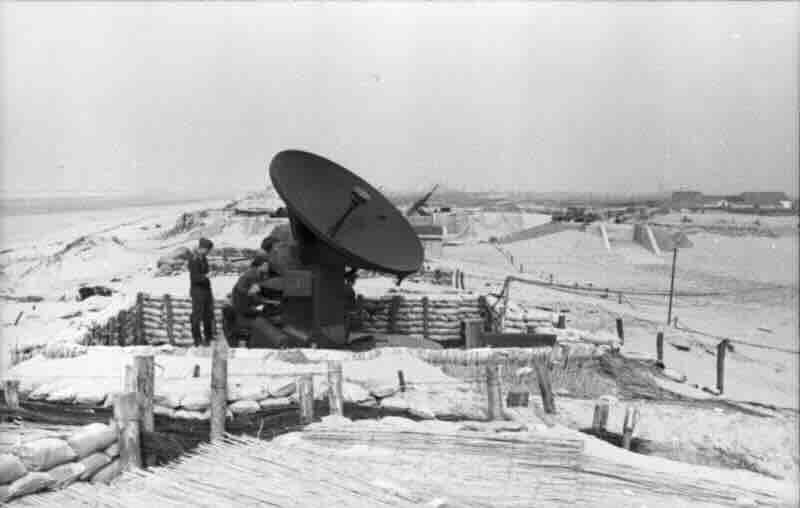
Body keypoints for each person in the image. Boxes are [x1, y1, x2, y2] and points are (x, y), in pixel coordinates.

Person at [232, 252, 294, 348]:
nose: (268, 267)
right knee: (263, 319)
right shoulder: (251, 274)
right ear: (261, 265)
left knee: (266, 317)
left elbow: (255, 295)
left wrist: (269, 301)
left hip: (247, 304)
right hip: (243, 306)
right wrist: (250, 292)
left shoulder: (259, 274)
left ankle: (278, 339)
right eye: (266, 265)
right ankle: (280, 340)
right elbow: (242, 290)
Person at [188, 237, 214, 346]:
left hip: (205, 290)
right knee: (197, 316)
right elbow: (194, 278)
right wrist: (205, 276)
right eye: (207, 250)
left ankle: (208, 338)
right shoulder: (194, 260)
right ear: (202, 248)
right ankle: (197, 339)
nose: (208, 252)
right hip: (198, 291)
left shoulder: (203, 258)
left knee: (208, 315)